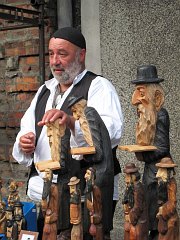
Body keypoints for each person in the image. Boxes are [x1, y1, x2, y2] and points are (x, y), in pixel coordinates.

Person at [12, 27, 123, 239]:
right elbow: (26, 127)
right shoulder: (45, 90)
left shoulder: (98, 86)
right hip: (44, 190)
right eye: (51, 54)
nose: (55, 61)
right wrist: (25, 142)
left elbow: (112, 130)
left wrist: (73, 123)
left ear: (81, 55)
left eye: (62, 54)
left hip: (85, 191)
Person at [131, 65, 171, 240]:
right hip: (150, 170)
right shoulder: (148, 114)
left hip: (159, 172)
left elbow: (163, 148)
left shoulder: (161, 115)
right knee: (147, 205)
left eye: (141, 92)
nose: (136, 100)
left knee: (157, 207)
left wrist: (144, 154)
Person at [68, 95, 114, 239]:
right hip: (100, 168)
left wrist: (84, 155)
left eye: (75, 111)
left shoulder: (89, 114)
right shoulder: (86, 117)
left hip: (103, 169)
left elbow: (98, 153)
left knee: (99, 210)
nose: (75, 117)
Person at [122, 163, 148, 240]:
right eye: (125, 176)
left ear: (133, 176)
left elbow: (138, 207)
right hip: (131, 219)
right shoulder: (130, 187)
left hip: (138, 221)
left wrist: (130, 217)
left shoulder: (137, 188)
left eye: (127, 176)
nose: (126, 179)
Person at [156, 157, 179, 240]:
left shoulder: (171, 184)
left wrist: (163, 210)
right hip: (164, 219)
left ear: (168, 172)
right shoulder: (163, 183)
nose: (158, 174)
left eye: (161, 171)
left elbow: (172, 203)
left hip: (169, 219)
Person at [84, 167, 103, 240]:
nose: (85, 176)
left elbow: (98, 206)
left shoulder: (95, 189)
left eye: (88, 174)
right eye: (86, 173)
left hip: (95, 219)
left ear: (93, 176)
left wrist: (95, 216)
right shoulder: (87, 189)